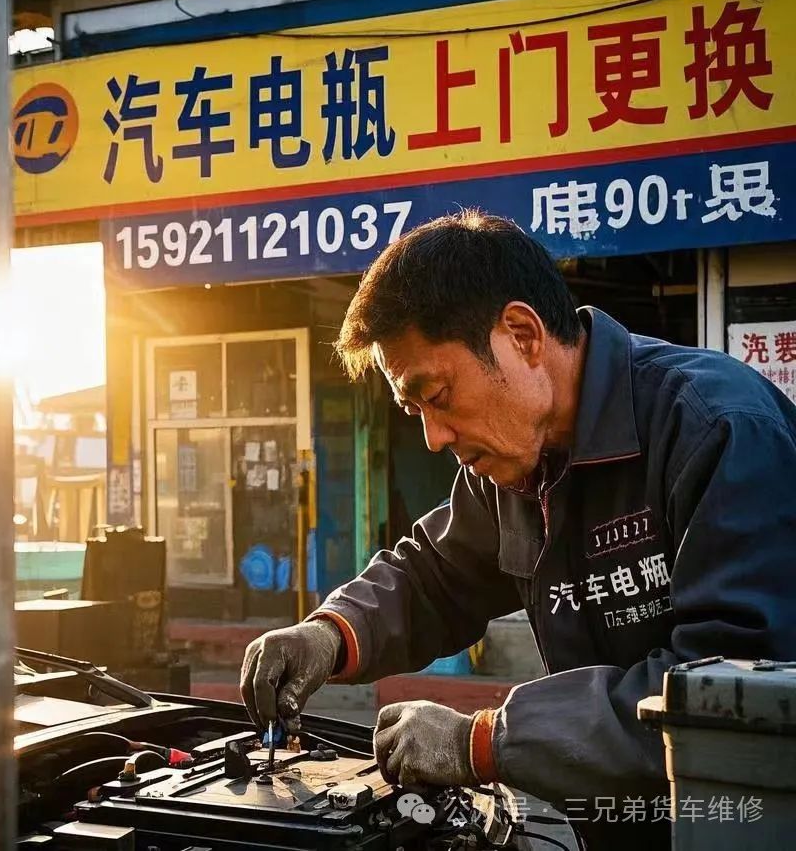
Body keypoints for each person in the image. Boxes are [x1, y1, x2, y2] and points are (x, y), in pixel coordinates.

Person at [240, 210, 796, 848]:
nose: (432, 436)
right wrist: (329, 635)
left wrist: (484, 740)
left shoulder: (714, 429)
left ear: (523, 335)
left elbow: (720, 698)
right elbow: (436, 577)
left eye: (438, 394)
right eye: (412, 408)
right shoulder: (513, 467)